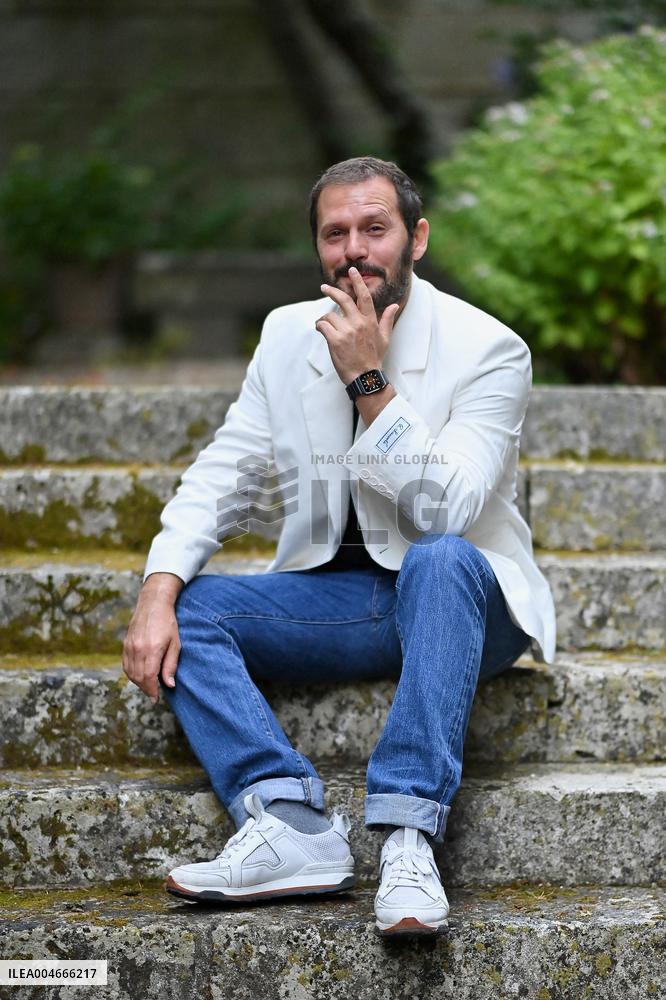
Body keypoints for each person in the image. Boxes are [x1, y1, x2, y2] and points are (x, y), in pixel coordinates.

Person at [122, 156, 556, 937]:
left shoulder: (491, 349)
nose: (354, 249)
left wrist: (369, 383)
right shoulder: (287, 335)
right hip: (351, 601)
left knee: (439, 557)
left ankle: (408, 833)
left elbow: (447, 511)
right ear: (318, 247)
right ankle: (288, 821)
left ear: (416, 239)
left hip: (469, 599)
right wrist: (158, 586)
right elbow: (226, 470)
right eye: (335, 233)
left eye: (375, 228)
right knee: (199, 607)